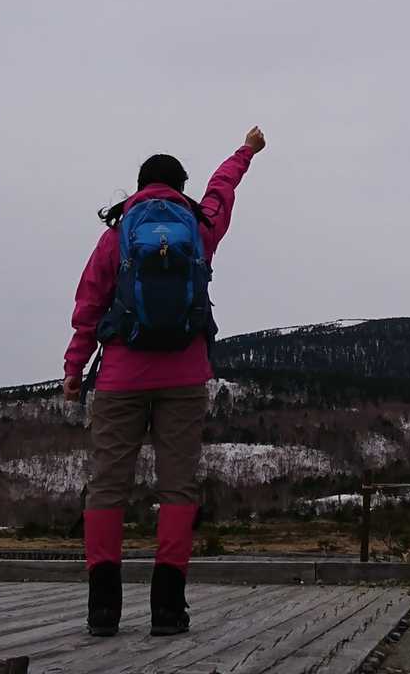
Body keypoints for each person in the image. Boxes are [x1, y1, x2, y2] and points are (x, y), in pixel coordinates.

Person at [62, 125, 266, 638]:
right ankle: (168, 610)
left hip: (120, 378)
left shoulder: (116, 236)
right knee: (178, 488)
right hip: (184, 374)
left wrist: (73, 371)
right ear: (180, 188)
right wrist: (245, 151)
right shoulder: (199, 227)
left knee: (107, 487)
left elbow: (88, 308)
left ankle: (103, 610)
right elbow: (222, 188)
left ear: (138, 187)